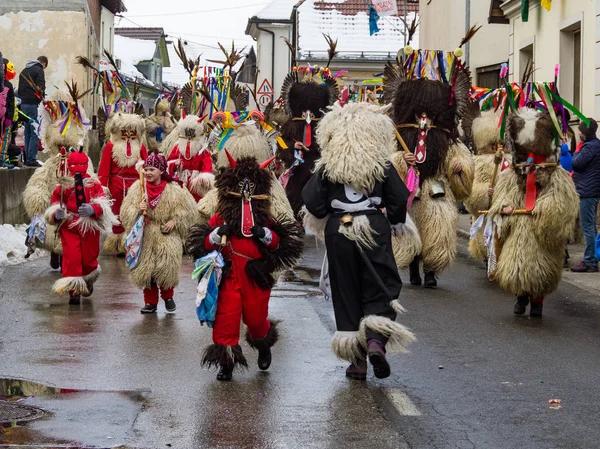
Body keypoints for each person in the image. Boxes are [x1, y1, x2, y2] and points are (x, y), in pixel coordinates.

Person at [302, 102, 416, 380]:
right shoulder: (381, 163)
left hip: (338, 231)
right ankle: (376, 340)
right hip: (373, 226)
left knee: (346, 290)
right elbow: (399, 199)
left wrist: (329, 211)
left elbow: (313, 202)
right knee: (382, 284)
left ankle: (356, 361)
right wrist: (397, 221)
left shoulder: (329, 166)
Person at [186, 152, 303, 381]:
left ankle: (263, 344)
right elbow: (204, 244)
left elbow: (278, 243)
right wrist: (216, 234)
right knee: (226, 319)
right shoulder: (221, 216)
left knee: (256, 318)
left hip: (254, 274)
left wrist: (265, 234)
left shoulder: (264, 217)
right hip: (229, 273)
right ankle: (226, 361)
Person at [488, 107, 579, 317]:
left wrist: (545, 209)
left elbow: (563, 200)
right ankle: (520, 298)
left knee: (542, 268)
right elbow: (503, 193)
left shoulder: (557, 174)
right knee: (519, 265)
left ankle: (537, 302)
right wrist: (504, 206)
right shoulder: (514, 172)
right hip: (520, 227)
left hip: (542, 231)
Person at [120, 152, 198, 314]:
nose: (148, 173)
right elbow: (125, 212)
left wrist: (175, 221)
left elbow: (188, 211)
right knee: (146, 270)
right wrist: (137, 209)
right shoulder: (138, 188)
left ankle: (168, 297)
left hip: (167, 236)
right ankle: (150, 302)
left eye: (152, 169)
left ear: (161, 170)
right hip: (146, 234)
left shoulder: (174, 190)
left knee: (166, 268)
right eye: (146, 169)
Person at [44, 149, 116, 304]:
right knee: (72, 256)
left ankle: (88, 278)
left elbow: (102, 203)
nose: (78, 167)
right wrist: (56, 213)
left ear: (86, 164)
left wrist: (93, 209)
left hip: (89, 226)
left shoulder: (94, 184)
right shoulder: (63, 185)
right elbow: (55, 202)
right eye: (74, 164)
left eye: (81, 164)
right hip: (69, 225)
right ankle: (74, 290)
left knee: (89, 256)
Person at [98, 112, 148, 254]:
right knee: (117, 212)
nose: (127, 134)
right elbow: (104, 169)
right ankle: (118, 242)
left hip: (136, 186)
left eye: (131, 131)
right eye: (124, 131)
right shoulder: (110, 147)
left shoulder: (141, 147)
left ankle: (133, 241)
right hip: (116, 185)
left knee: (135, 212)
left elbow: (146, 166)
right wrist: (103, 185)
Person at [571, 118, 600, 273]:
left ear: (585, 132)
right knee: (592, 226)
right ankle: (593, 258)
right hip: (592, 191)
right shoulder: (596, 145)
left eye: (580, 130)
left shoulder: (589, 147)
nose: (578, 132)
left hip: (587, 192)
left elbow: (576, 163)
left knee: (587, 227)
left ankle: (589, 262)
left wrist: (576, 150)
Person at [165, 110, 214, 202]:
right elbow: (169, 163)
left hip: (195, 184)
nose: (189, 138)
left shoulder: (203, 149)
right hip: (180, 181)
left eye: (191, 133)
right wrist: (174, 164)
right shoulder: (177, 146)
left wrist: (204, 178)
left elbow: (207, 166)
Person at [18, 55, 47, 167]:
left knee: (27, 131)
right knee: (35, 130)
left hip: (23, 103)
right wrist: (42, 99)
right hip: (33, 103)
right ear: (44, 63)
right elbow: (41, 86)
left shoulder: (24, 70)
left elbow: (20, 88)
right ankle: (31, 159)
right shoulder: (39, 69)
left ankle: (27, 158)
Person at [1, 57, 16, 168]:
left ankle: (2, 160)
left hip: (4, 118)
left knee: (5, 140)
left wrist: (9, 118)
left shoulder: (8, 85)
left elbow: (11, 102)